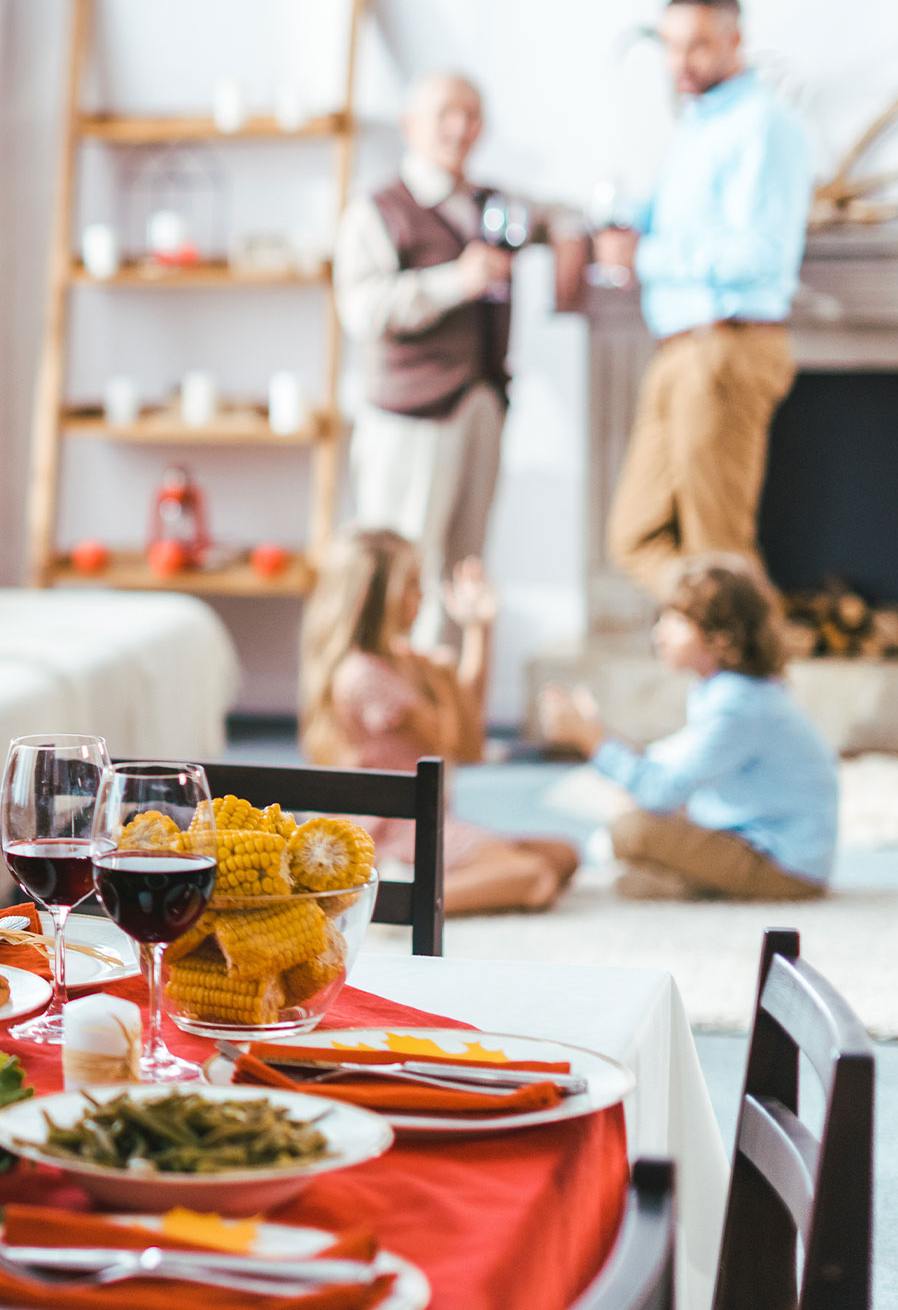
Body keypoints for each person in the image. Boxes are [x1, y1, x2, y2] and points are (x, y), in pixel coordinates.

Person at [596, 0, 813, 595]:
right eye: (668, 47)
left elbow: (761, 253)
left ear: (735, 40)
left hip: (727, 348)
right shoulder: (699, 126)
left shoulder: (763, 126)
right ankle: (726, 628)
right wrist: (628, 223)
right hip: (679, 349)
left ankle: (748, 670)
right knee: (634, 538)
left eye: (695, 47)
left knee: (719, 551)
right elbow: (683, 222)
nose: (678, 64)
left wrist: (647, 255)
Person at [301, 530, 580, 915]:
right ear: (375, 596)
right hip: (394, 832)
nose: (423, 595)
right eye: (412, 583)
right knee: (535, 877)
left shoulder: (401, 659)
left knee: (563, 855)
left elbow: (466, 717)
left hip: (429, 821)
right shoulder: (364, 677)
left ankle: (417, 886)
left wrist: (478, 630)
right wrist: (444, 674)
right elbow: (465, 745)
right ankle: (391, 902)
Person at [334, 73, 515, 650]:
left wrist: (567, 234)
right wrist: (454, 283)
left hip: (481, 403)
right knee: (400, 569)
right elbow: (362, 309)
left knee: (465, 571)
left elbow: (555, 217)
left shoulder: (492, 204)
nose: (460, 127)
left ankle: (452, 717)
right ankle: (393, 715)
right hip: (410, 417)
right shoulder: (377, 209)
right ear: (411, 125)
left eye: (471, 113)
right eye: (445, 113)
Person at [540, 555, 837, 901]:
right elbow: (665, 763)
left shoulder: (737, 706)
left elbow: (661, 790)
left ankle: (687, 884)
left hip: (784, 866)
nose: (658, 633)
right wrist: (599, 732)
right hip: (762, 843)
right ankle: (683, 880)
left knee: (631, 830)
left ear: (721, 636)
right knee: (635, 808)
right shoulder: (724, 691)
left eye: (676, 620)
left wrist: (590, 740)